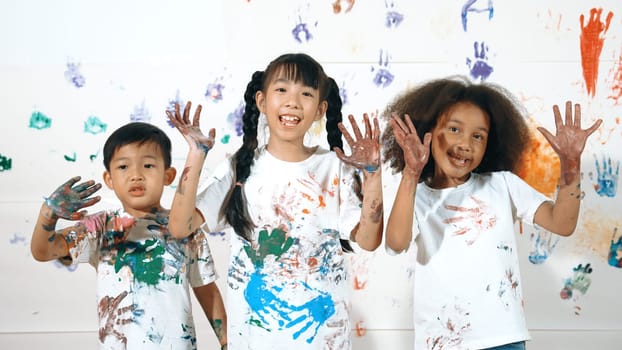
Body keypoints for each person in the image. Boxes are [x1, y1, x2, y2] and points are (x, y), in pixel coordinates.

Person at [166, 53, 384, 349]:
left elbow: (369, 240)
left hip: (322, 339)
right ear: (261, 101)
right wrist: (196, 154)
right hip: (254, 340)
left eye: (305, 93)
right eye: (281, 90)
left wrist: (373, 176)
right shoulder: (238, 168)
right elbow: (180, 227)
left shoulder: (335, 168)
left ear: (321, 109)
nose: (293, 101)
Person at [381, 76, 602, 350]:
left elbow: (562, 223)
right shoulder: (414, 196)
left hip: (503, 340)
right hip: (441, 342)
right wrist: (411, 174)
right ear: (428, 131)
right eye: (454, 129)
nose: (466, 143)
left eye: (478, 136)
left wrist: (570, 164)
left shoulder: (502, 184)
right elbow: (396, 242)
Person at [30, 122, 228, 350]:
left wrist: (226, 341)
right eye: (123, 167)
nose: (136, 175)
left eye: (148, 165)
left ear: (168, 175)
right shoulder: (100, 226)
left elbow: (207, 290)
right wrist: (48, 215)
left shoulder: (186, 229)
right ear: (109, 179)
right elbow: (43, 251)